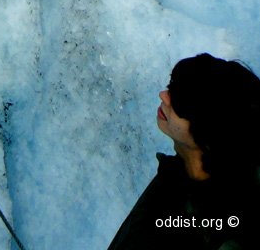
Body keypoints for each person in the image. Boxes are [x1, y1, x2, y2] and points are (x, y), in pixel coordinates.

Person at [107, 53, 260, 249]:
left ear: (209, 137)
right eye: (172, 86)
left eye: (179, 103)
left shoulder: (219, 232)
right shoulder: (181, 173)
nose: (163, 95)